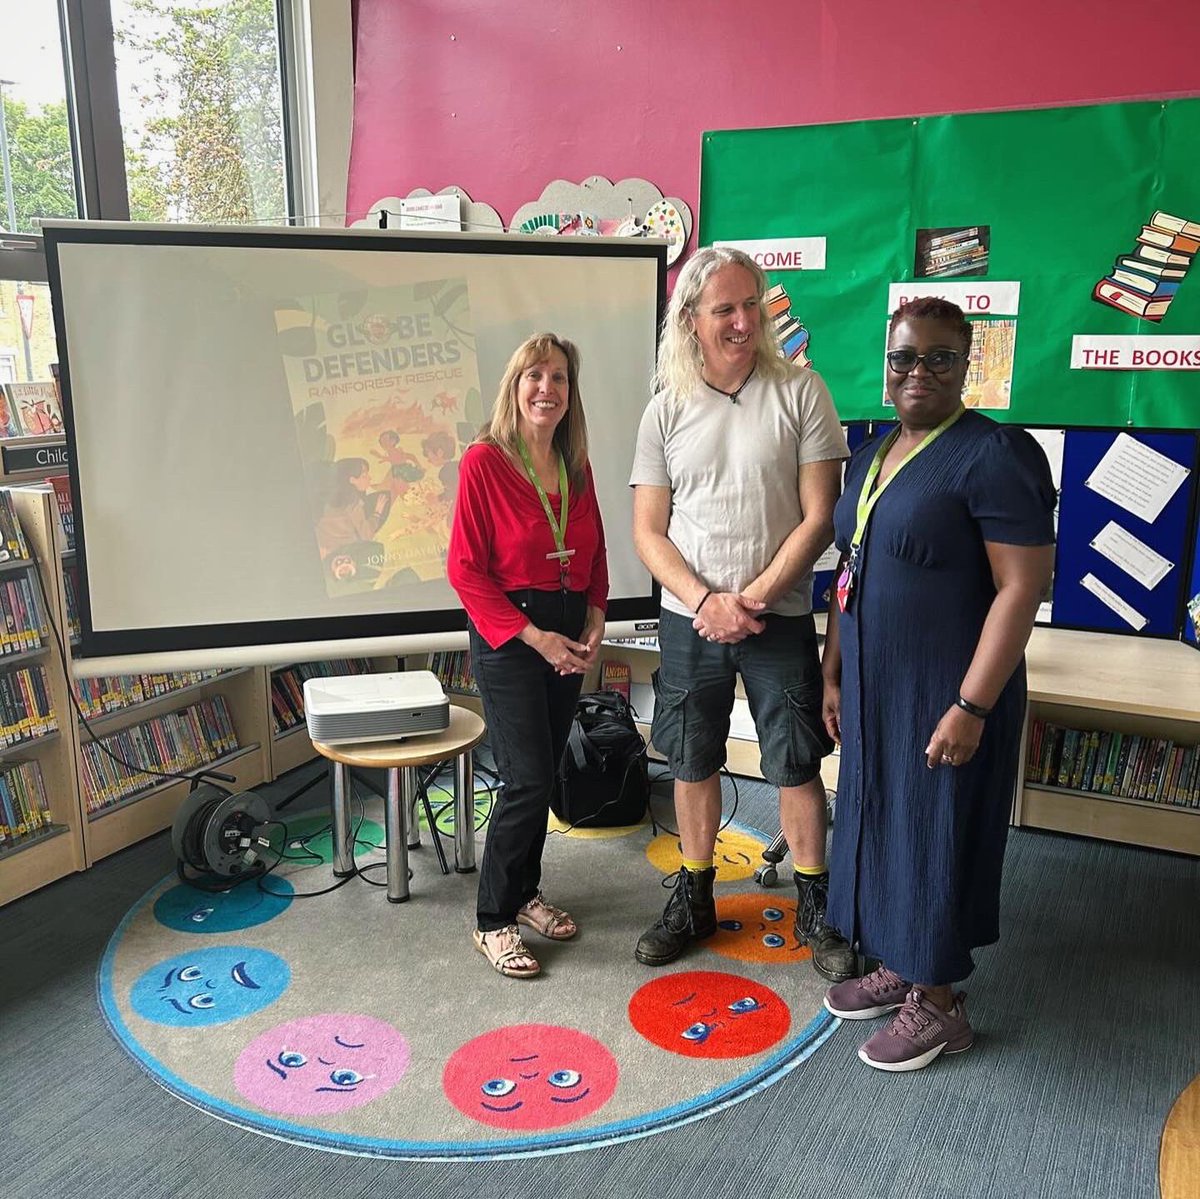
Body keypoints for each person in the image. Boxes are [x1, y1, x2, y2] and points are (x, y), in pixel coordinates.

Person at [820, 297, 1055, 1072]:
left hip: (946, 689)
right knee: (881, 817)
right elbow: (849, 568)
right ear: (885, 367)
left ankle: (942, 1003)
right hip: (875, 683)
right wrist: (834, 671)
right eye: (904, 358)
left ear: (966, 365)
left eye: (939, 358)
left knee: (936, 831)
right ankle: (899, 959)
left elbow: (1021, 587)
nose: (918, 371)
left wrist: (971, 703)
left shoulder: (994, 454)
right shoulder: (874, 452)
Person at [628, 246, 856, 982]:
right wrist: (706, 602)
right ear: (690, 319)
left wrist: (751, 598)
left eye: (750, 304)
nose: (741, 320)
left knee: (794, 762)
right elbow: (648, 531)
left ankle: (814, 904)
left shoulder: (801, 391)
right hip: (689, 617)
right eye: (723, 308)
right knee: (691, 757)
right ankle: (695, 896)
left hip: (777, 614)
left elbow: (820, 518)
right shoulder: (664, 409)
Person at [447, 333, 608, 979]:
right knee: (525, 779)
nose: (548, 388)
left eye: (560, 378)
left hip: (569, 628)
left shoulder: (577, 465)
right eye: (535, 376)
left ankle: (524, 890)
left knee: (542, 777)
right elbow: (464, 570)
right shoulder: (483, 462)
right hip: (511, 636)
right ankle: (492, 918)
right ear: (515, 387)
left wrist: (596, 620)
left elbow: (595, 554)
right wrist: (535, 636)